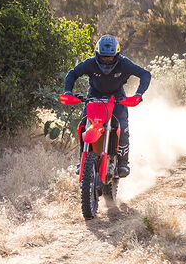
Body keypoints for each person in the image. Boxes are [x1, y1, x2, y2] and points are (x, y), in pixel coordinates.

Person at [63, 34, 150, 177]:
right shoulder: (90, 63)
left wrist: (138, 94)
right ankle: (82, 161)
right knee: (84, 125)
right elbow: (73, 73)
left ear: (117, 55)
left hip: (117, 98)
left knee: (122, 127)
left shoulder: (124, 63)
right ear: (97, 54)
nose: (107, 60)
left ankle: (122, 163)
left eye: (110, 57)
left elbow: (145, 74)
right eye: (103, 57)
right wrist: (68, 91)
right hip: (94, 96)